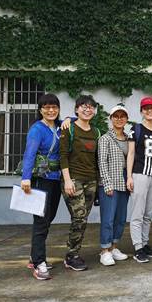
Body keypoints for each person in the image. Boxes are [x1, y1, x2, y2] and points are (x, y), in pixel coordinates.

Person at [21, 93, 62, 280]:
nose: (51, 110)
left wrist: (68, 119)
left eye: (54, 107)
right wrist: (26, 178)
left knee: (49, 217)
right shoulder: (37, 129)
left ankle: (34, 256)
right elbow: (29, 153)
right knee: (41, 220)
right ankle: (39, 263)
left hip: (56, 179)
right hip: (41, 179)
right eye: (47, 107)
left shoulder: (59, 127)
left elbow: (78, 118)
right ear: (40, 110)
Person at [60, 94, 100, 271]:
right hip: (73, 179)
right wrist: (67, 180)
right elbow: (63, 156)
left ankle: (73, 250)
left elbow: (97, 158)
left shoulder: (96, 132)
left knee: (82, 219)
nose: (87, 109)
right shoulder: (68, 128)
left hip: (91, 181)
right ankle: (72, 255)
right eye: (83, 106)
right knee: (80, 217)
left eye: (91, 107)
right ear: (76, 109)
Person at [127, 96, 152, 263]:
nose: (149, 111)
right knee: (138, 213)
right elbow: (131, 154)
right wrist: (129, 176)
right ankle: (138, 247)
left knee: (148, 214)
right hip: (139, 175)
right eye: (146, 108)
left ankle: (145, 243)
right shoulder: (136, 129)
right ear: (141, 111)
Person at [97, 104, 131, 266]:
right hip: (110, 181)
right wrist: (107, 183)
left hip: (124, 181)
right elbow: (102, 162)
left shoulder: (129, 138)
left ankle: (114, 247)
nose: (119, 119)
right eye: (115, 116)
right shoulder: (105, 138)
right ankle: (105, 250)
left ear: (127, 119)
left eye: (122, 116)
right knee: (108, 218)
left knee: (120, 218)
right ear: (111, 119)